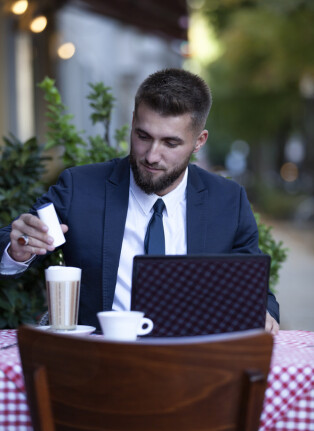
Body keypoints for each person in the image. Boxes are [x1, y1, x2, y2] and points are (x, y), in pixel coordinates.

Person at [0, 68, 279, 333]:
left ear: (199, 141)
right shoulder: (80, 187)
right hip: (99, 361)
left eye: (170, 143)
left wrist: (261, 312)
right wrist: (18, 249)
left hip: (193, 361)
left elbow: (257, 292)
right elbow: (13, 240)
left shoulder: (228, 201)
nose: (151, 156)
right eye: (143, 136)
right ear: (133, 122)